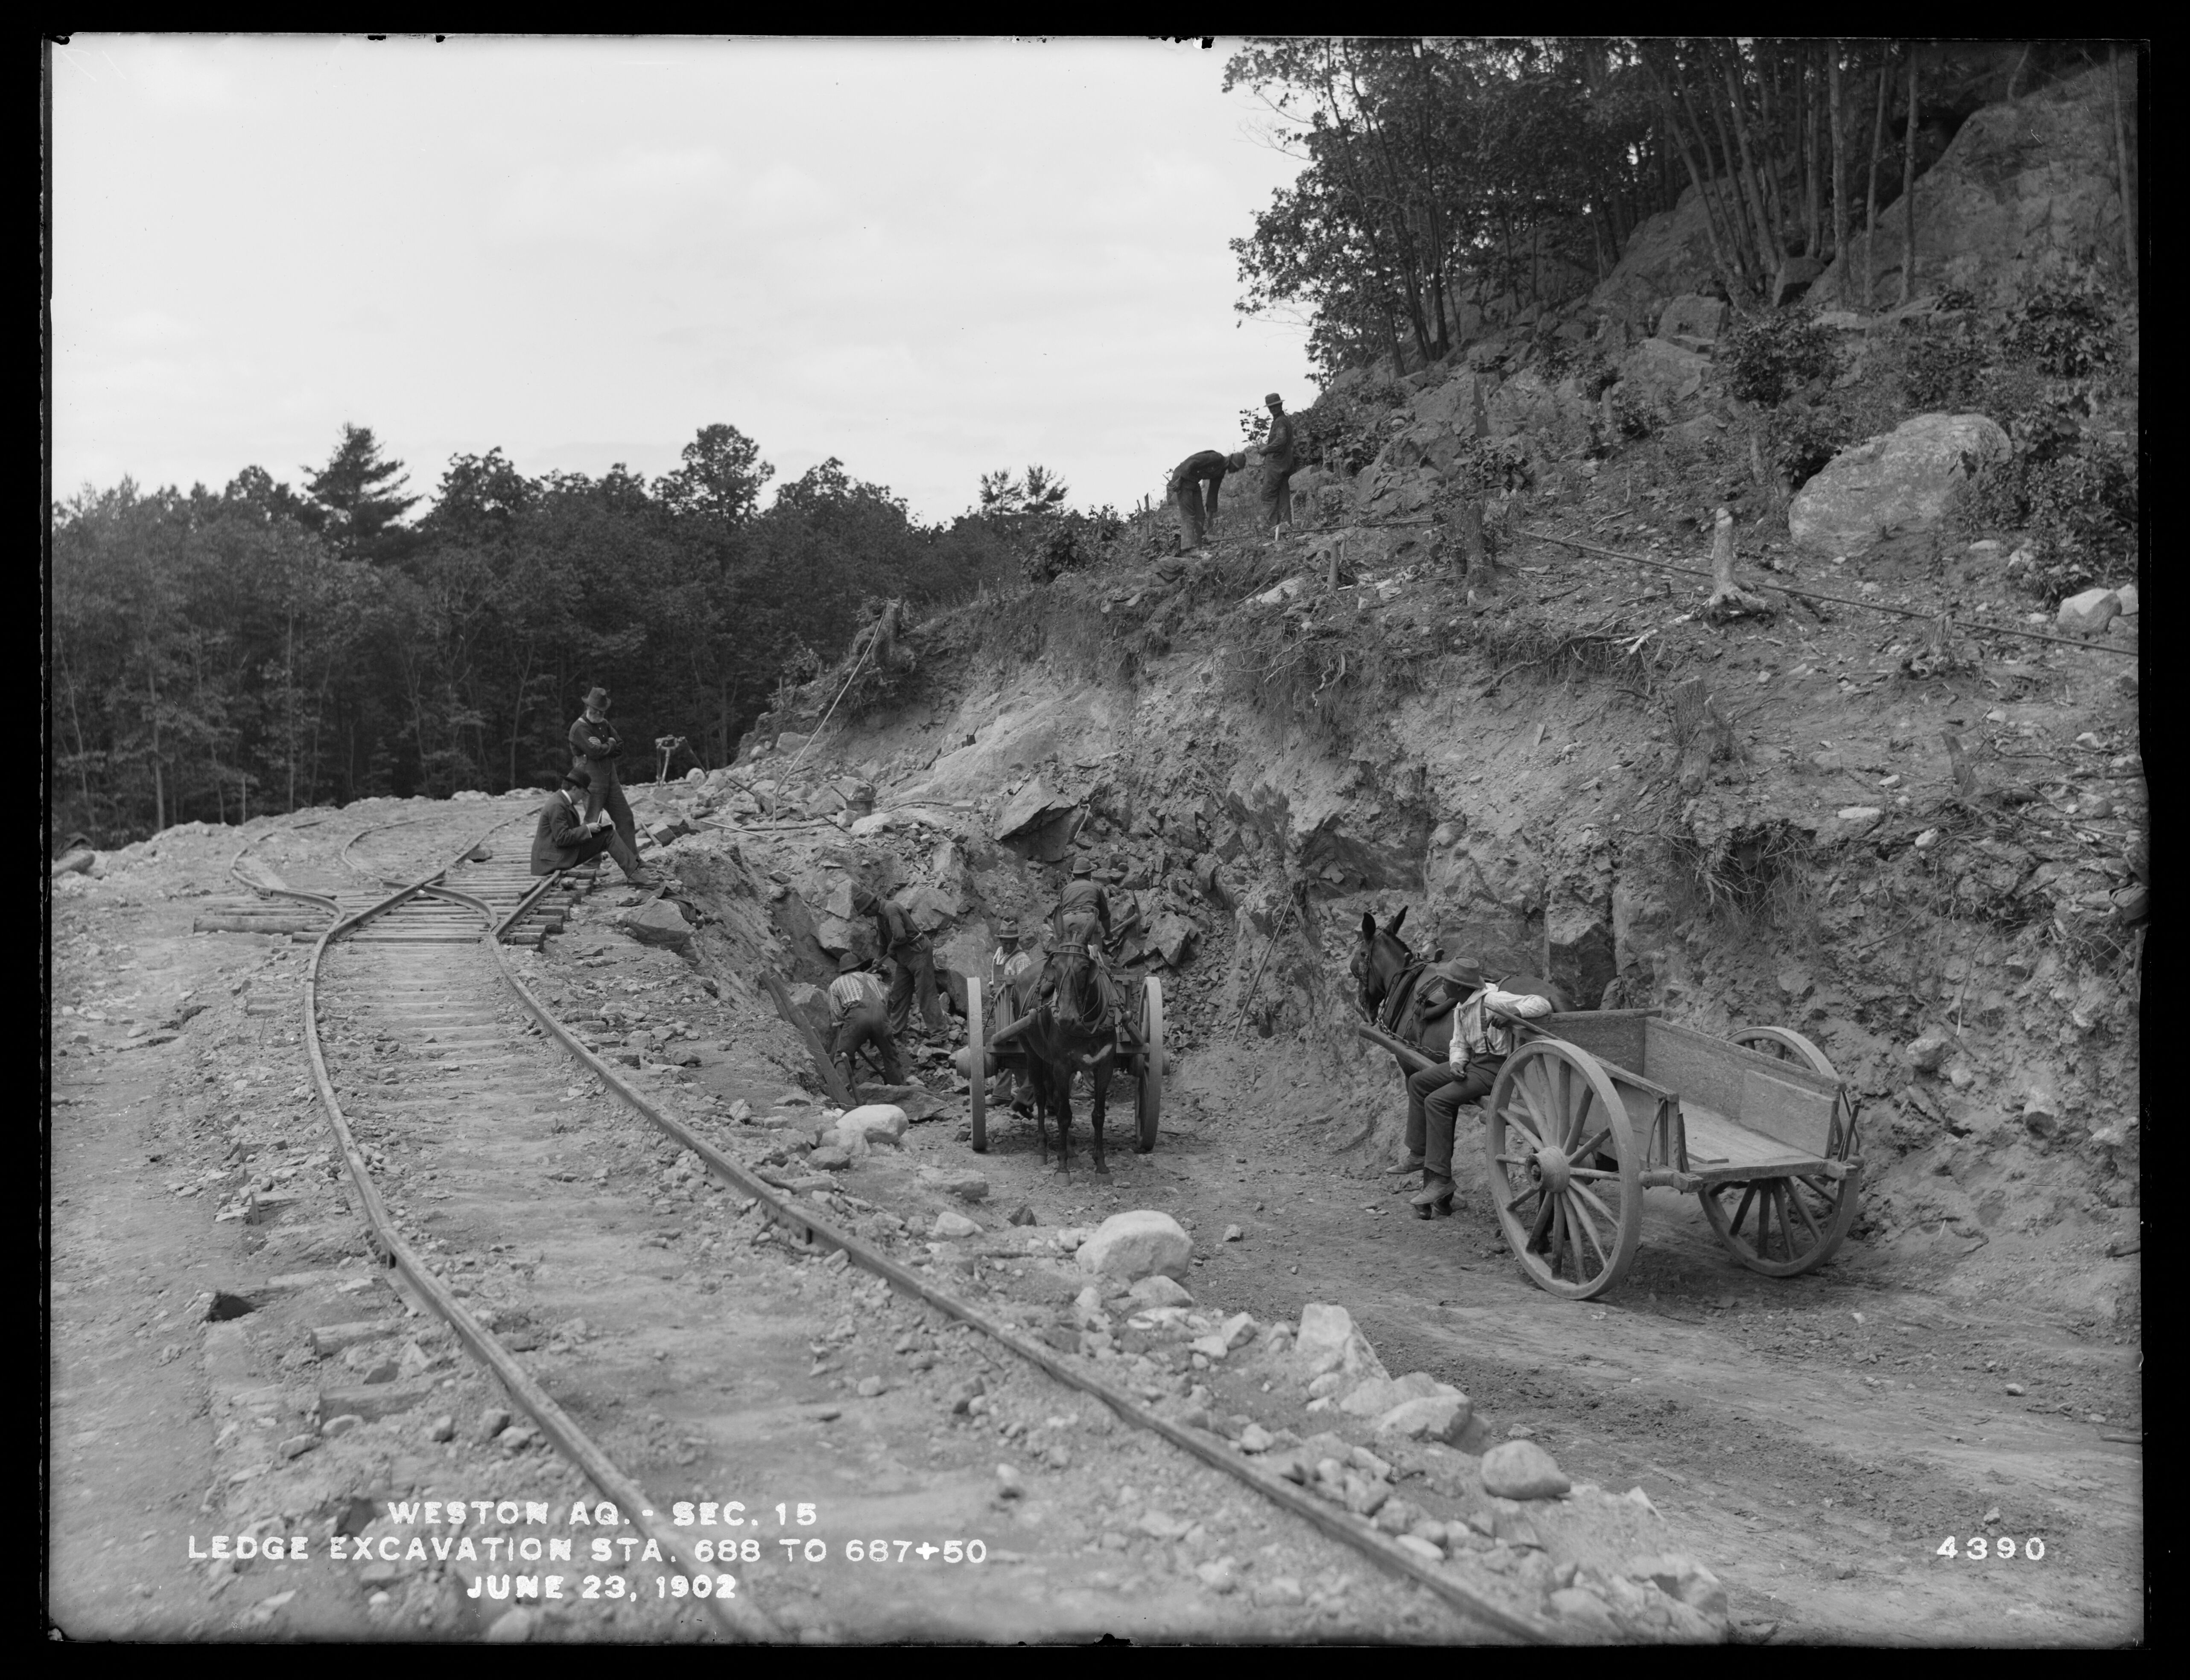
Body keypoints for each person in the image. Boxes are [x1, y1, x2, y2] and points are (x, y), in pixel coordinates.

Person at [1403, 959, 1556, 1217]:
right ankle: (1419, 1153)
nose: (1442, 985)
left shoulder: (1494, 1000)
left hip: (1495, 1070)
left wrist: (1516, 1015)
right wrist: (1456, 1064)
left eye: (1446, 982)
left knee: (1437, 1102)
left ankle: (1441, 1179)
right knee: (1418, 1082)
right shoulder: (1461, 1008)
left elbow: (1541, 1003)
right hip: (1474, 1064)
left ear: (1460, 986)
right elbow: (1459, 1044)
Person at [851, 882, 943, 1036]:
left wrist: (891, 948)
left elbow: (900, 936)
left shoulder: (890, 909)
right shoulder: (880, 916)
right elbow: (884, 942)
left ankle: (939, 1034)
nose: (866, 916)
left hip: (918, 953)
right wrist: (879, 959)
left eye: (865, 912)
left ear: (872, 905)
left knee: (925, 995)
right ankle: (894, 1032)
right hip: (904, 958)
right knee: (899, 994)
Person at [529, 768, 651, 883]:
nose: (583, 797)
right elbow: (562, 838)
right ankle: (635, 874)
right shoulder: (557, 805)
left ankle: (634, 872)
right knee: (608, 835)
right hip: (551, 861)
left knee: (607, 834)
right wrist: (588, 829)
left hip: (556, 855)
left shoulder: (562, 801)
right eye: (583, 793)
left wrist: (592, 831)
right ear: (575, 789)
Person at [568, 687, 642, 866]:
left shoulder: (604, 724)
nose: (598, 713)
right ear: (588, 707)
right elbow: (593, 752)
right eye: (595, 710)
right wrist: (610, 743)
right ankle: (591, 863)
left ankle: (634, 860)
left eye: (601, 711)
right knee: (593, 820)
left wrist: (605, 744)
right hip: (590, 778)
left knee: (625, 817)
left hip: (611, 779)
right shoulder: (579, 728)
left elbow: (621, 746)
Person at [827, 954, 905, 1087]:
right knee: (890, 1054)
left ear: (842, 971)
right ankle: (899, 1087)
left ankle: (845, 1093)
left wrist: (849, 1033)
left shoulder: (835, 985)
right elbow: (885, 997)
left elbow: (838, 1014)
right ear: (858, 967)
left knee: (843, 1055)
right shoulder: (871, 977)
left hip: (857, 1015)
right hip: (881, 1013)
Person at [1166, 449, 1246, 551]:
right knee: (1188, 515)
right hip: (1182, 478)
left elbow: (1213, 492)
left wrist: (1210, 517)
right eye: (1237, 468)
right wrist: (1180, 480)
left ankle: (1198, 547)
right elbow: (1192, 462)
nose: (1236, 471)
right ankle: (1187, 549)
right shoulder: (1216, 458)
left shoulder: (1220, 472)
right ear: (1232, 463)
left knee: (1201, 515)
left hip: (1194, 481)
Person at [1255, 392, 1299, 531]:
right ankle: (1286, 526)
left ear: (1281, 405)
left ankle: (1269, 528)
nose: (1273, 409)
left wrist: (1266, 450)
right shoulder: (1282, 420)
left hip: (1277, 466)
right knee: (1283, 495)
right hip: (1285, 464)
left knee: (1268, 495)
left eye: (1275, 406)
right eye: (1270, 407)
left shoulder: (1280, 421)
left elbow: (1281, 440)